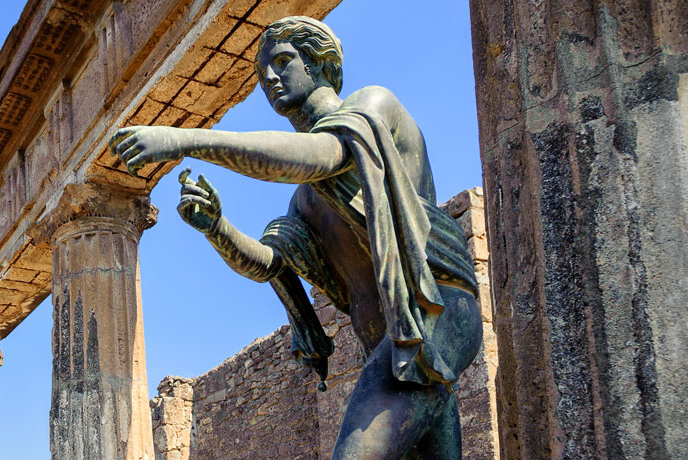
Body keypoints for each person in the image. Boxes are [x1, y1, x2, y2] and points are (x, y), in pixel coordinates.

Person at [110, 16, 482, 460]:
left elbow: (323, 155)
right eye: (261, 72)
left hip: (434, 317)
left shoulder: (372, 107)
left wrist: (185, 140)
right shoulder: (305, 200)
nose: (269, 78)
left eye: (283, 61)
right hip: (389, 342)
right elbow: (270, 263)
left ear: (321, 63)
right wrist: (216, 227)